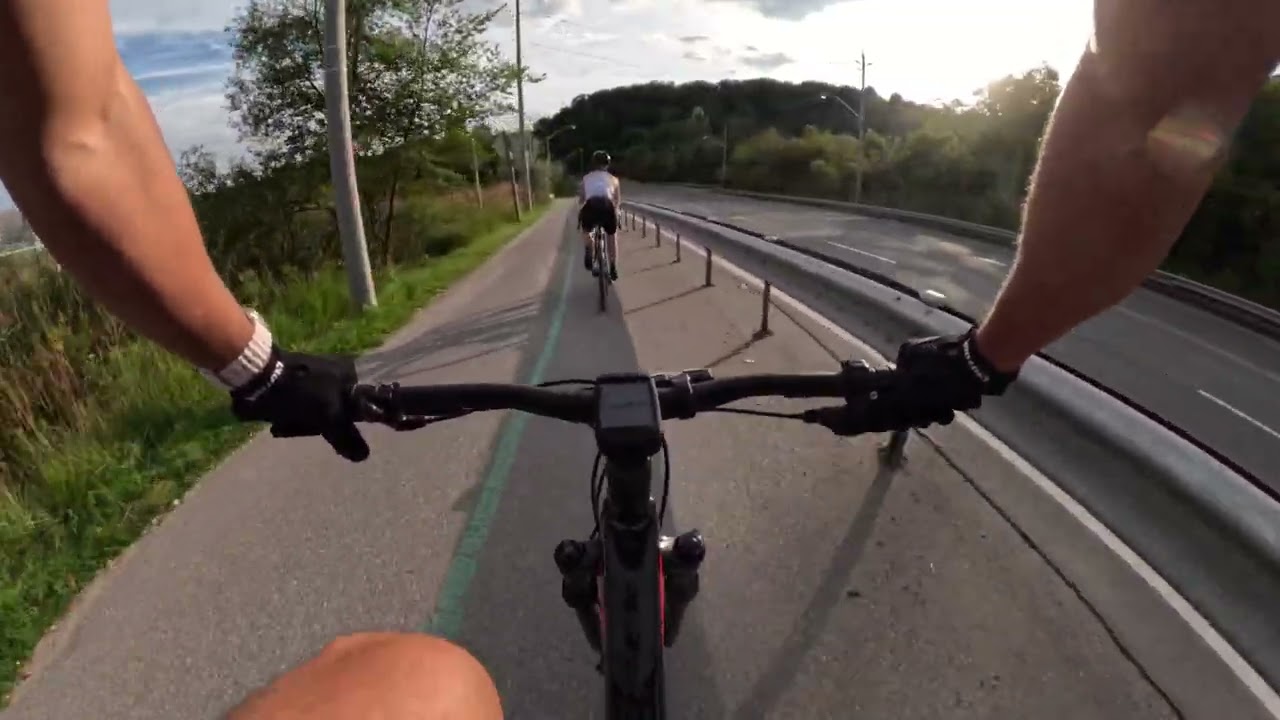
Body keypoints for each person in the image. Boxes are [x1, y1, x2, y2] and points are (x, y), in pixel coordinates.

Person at [0, 0, 1276, 716]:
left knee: (411, 676)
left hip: (594, 215)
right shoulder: (616, 176)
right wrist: (983, 362)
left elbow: (77, 124)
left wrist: (261, 369)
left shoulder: (590, 179)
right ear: (614, 179)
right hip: (629, 218)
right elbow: (1152, 94)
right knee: (418, 678)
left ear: (597, 178)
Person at [577, 149, 622, 280]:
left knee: (586, 231)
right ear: (607, 164)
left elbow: (581, 199)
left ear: (593, 164)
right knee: (612, 237)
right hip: (607, 206)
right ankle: (613, 267)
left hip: (591, 205)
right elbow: (617, 201)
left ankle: (589, 247)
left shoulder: (586, 178)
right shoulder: (614, 179)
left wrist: (581, 210)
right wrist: (616, 214)